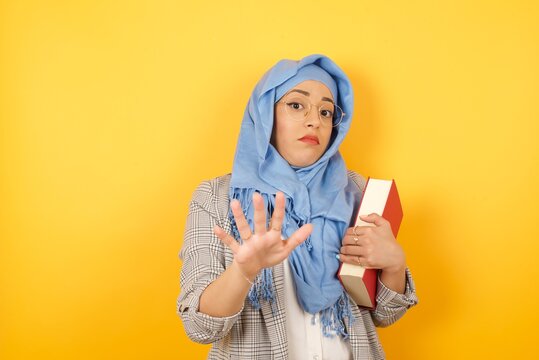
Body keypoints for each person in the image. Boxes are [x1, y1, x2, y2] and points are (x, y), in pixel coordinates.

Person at [177, 54, 418, 360]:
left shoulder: (356, 191)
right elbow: (199, 327)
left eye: (326, 111)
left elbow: (384, 314)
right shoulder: (215, 197)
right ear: (265, 114)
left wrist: (394, 266)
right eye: (295, 104)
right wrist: (243, 271)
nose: (314, 120)